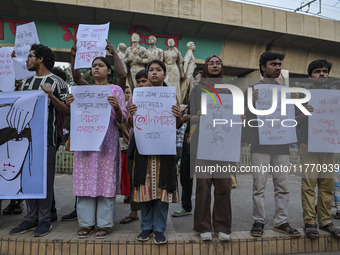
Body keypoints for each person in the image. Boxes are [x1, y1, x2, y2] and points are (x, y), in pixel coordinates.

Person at [66, 39, 127, 239]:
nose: (96, 69)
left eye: (100, 65)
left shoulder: (115, 91)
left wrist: (116, 107)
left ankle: (104, 223)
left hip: (107, 144)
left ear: (109, 71)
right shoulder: (85, 90)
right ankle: (86, 223)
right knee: (84, 182)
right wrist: (74, 56)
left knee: (105, 182)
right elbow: (76, 77)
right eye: (93, 66)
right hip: (85, 143)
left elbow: (121, 120)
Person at [9, 44, 69, 237]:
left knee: (45, 180)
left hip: (48, 139)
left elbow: (66, 111)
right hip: (25, 140)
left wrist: (51, 96)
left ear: (40, 59)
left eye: (30, 56)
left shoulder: (57, 82)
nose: (27, 60)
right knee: (27, 179)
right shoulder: (25, 83)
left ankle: (44, 220)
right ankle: (30, 219)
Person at [246, 52, 300, 238]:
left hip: (282, 145)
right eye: (273, 64)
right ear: (263, 67)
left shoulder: (286, 91)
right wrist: (249, 103)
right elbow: (243, 118)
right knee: (258, 187)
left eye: (279, 64)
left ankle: (281, 222)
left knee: (283, 186)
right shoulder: (252, 89)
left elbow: (292, 119)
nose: (277, 67)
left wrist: (296, 104)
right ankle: (258, 221)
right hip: (260, 145)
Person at [129, 60, 182, 244]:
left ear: (164, 74)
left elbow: (176, 125)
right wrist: (132, 113)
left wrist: (178, 116)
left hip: (163, 153)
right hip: (143, 151)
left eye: (158, 70)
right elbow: (130, 123)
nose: (154, 72)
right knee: (144, 191)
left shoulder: (171, 97)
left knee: (162, 192)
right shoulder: (138, 95)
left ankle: (159, 228)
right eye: (151, 69)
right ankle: (145, 228)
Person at [296, 60, 340, 239]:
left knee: (327, 184)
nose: (321, 74)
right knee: (309, 184)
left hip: (330, 143)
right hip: (308, 144)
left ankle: (325, 220)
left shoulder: (335, 96)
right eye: (317, 71)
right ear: (310, 75)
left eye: (324, 71)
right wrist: (303, 113)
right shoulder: (301, 96)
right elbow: (292, 122)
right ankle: (309, 221)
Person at [191, 56, 233, 241]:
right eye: (211, 63)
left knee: (224, 186)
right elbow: (187, 117)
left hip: (224, 144)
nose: (215, 65)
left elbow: (236, 115)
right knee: (203, 187)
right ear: (206, 67)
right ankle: (203, 226)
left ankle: (222, 226)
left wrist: (241, 117)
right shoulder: (197, 90)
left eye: (218, 63)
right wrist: (197, 116)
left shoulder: (231, 90)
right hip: (202, 144)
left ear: (222, 67)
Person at [119, 69, 150, 224]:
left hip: (154, 142)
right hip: (136, 142)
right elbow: (127, 121)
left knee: (150, 177)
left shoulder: (161, 97)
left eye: (144, 81)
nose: (140, 84)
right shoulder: (133, 100)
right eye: (138, 82)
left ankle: (149, 212)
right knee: (133, 175)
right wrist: (131, 115)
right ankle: (134, 211)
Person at [172, 72, 202, 218]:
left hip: (205, 142)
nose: (197, 83)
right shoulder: (194, 94)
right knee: (185, 175)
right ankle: (186, 206)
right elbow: (189, 115)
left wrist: (190, 117)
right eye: (196, 80)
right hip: (189, 141)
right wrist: (187, 117)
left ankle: (204, 210)